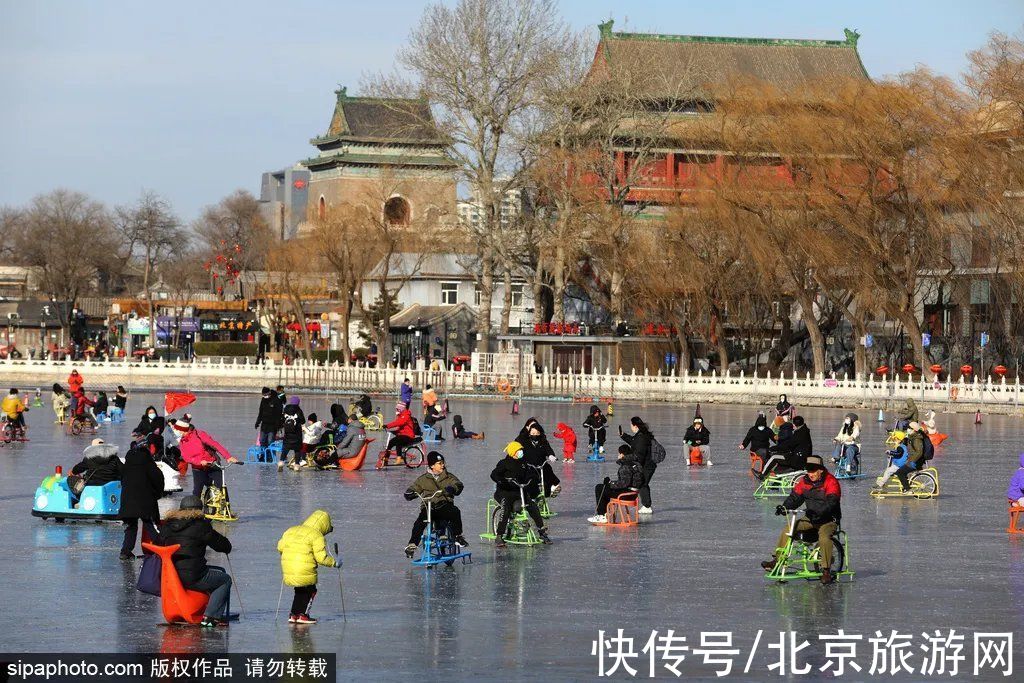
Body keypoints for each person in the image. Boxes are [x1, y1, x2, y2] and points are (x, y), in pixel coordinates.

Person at [761, 455, 842, 584]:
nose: (810, 474)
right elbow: (795, 497)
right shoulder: (804, 482)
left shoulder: (831, 481)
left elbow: (831, 503)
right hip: (810, 518)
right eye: (808, 471)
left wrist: (819, 512)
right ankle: (776, 560)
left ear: (820, 470)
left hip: (828, 520)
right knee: (789, 528)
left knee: (824, 538)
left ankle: (826, 570)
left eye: (813, 471)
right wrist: (784, 507)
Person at [161, 495, 233, 627]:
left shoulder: (168, 525)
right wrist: (227, 547)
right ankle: (211, 617)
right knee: (224, 580)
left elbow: (157, 543)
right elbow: (221, 545)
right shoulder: (201, 525)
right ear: (199, 510)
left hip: (169, 576)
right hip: (193, 576)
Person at [277, 510, 337, 625]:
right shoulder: (316, 535)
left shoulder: (291, 530)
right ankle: (303, 615)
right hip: (304, 567)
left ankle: (294, 614)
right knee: (310, 589)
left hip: (289, 566)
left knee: (299, 589)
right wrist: (334, 563)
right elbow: (321, 558)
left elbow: (280, 547)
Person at [403, 452, 467, 557]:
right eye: (439, 463)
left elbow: (457, 484)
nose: (442, 465)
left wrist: (453, 489)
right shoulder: (423, 479)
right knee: (420, 522)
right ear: (432, 465)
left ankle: (457, 536)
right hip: (428, 506)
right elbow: (414, 488)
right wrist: (409, 493)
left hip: (443, 504)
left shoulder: (448, 477)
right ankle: (412, 544)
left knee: (455, 512)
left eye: (443, 463)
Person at [490, 441, 551, 547]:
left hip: (519, 492)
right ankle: (499, 535)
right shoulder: (504, 463)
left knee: (532, 506)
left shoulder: (524, 463)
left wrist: (531, 479)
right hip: (504, 492)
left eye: (521, 450)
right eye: (519, 451)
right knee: (506, 508)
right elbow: (494, 475)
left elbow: (532, 474)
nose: (521, 452)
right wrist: (504, 481)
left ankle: (542, 532)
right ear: (513, 452)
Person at [118, 442, 164, 560]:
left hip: (128, 500)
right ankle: (161, 548)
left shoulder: (127, 464)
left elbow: (122, 480)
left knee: (130, 526)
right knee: (150, 525)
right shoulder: (149, 464)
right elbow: (158, 480)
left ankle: (125, 551)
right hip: (146, 500)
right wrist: (157, 494)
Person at [172, 418, 240, 496]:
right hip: (198, 468)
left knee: (221, 487)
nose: (176, 432)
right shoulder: (182, 442)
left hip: (212, 464)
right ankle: (197, 507)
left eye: (177, 430)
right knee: (197, 491)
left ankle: (225, 505)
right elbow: (186, 457)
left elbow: (215, 445)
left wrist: (228, 456)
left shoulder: (199, 434)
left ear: (182, 429)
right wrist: (199, 462)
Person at [588, 445, 644, 524]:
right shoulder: (636, 464)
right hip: (634, 493)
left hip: (627, 494)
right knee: (605, 488)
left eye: (618, 453)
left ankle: (602, 515)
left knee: (600, 488)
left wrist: (610, 483)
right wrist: (611, 483)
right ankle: (605, 513)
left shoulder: (626, 466)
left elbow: (624, 483)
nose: (618, 455)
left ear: (622, 454)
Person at [875, 421, 929, 492]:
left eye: (909, 428)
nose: (908, 429)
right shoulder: (912, 437)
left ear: (914, 430)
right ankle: (905, 487)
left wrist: (911, 461)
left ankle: (908, 489)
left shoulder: (916, 439)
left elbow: (918, 452)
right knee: (901, 472)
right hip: (911, 460)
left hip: (914, 462)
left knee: (900, 472)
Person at [620, 417, 655, 515]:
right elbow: (633, 442)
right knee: (643, 483)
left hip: (647, 465)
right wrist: (623, 435)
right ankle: (647, 505)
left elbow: (639, 454)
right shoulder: (640, 435)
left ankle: (647, 506)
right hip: (646, 465)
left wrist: (625, 458)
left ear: (635, 425)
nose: (631, 427)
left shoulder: (642, 437)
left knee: (642, 483)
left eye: (631, 425)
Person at [517, 418, 561, 498]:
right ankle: (532, 496)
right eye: (531, 426)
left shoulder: (542, 440)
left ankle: (551, 488)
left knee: (547, 469)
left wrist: (551, 455)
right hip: (528, 465)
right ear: (527, 428)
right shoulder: (522, 438)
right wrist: (518, 453)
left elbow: (547, 448)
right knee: (531, 478)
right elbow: (515, 447)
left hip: (540, 464)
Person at [281, 396, 305, 470]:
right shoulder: (299, 410)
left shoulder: (286, 409)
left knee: (285, 448)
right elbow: (303, 421)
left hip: (288, 433)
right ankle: (297, 465)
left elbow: (282, 420)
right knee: (297, 450)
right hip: (297, 434)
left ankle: (281, 462)